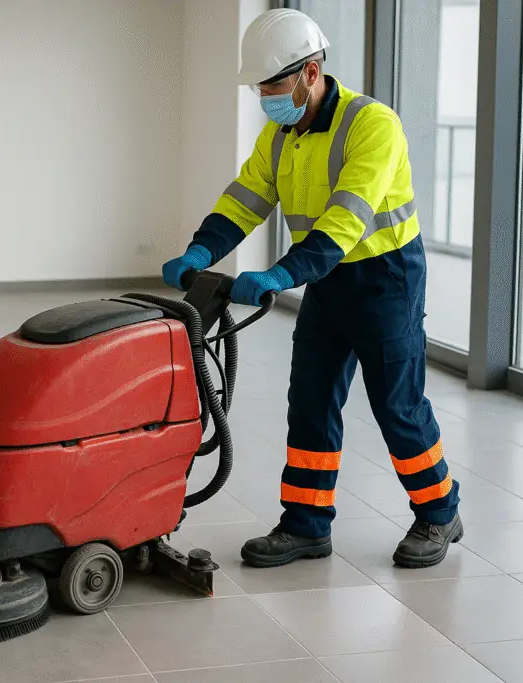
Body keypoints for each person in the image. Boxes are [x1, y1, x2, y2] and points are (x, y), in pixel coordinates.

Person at [162, 8, 462, 569]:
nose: (265, 97)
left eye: (272, 84)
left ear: (309, 72)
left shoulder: (373, 125)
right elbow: (246, 197)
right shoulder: (282, 136)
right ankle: (305, 526)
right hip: (326, 281)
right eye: (260, 87)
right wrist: (201, 250)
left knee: (397, 406)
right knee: (311, 402)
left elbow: (346, 220)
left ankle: (440, 513)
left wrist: (279, 274)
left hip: (384, 280)